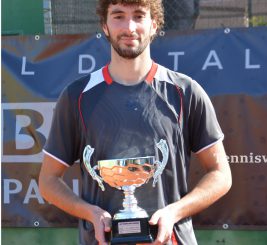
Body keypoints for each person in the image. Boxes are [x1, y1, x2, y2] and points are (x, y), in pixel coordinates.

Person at [38, 0, 232, 244]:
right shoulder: (77, 96)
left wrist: (175, 211)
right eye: (118, 16)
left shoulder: (185, 92)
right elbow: (48, 181)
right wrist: (91, 213)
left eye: (139, 16)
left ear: (154, 24)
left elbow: (221, 174)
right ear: (104, 25)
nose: (129, 27)